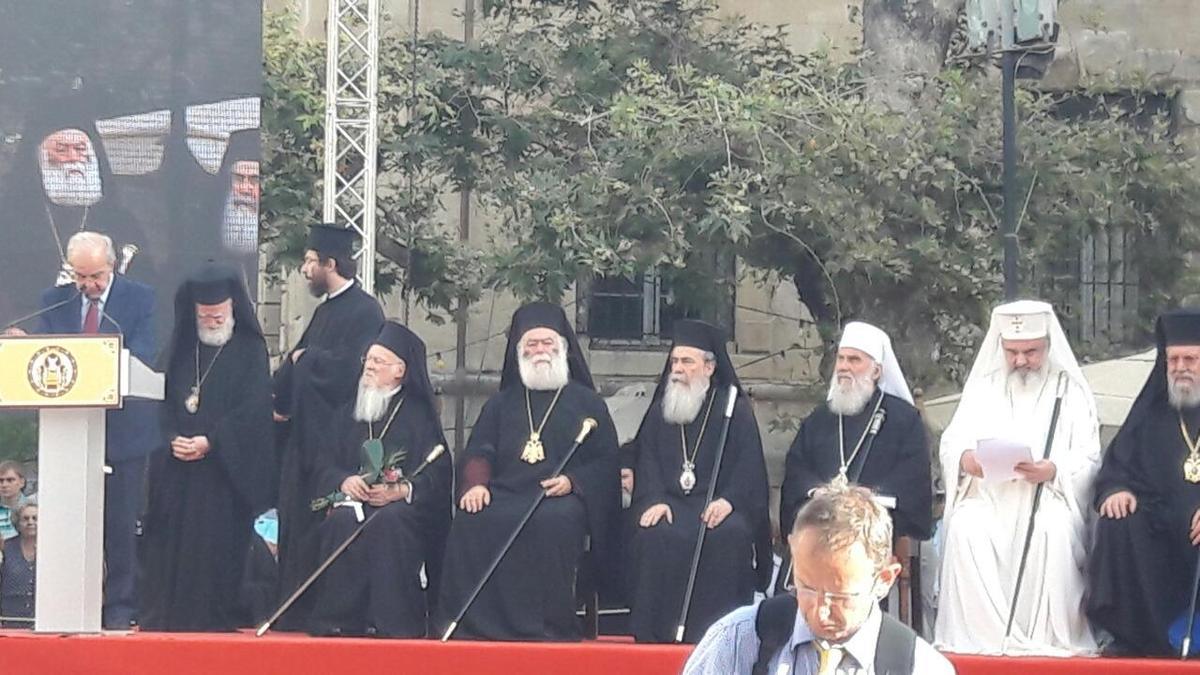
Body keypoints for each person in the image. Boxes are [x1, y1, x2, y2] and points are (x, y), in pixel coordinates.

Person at [434, 302, 619, 641]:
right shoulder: (501, 404)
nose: (540, 351)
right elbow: (480, 449)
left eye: (547, 343)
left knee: (552, 521)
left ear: (562, 348)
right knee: (472, 519)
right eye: (531, 344)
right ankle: (475, 625)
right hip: (505, 492)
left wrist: (573, 482)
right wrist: (476, 484)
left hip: (558, 497)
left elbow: (606, 463)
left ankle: (547, 625)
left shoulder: (587, 403)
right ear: (519, 352)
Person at [934, 300, 1099, 655]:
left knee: (1052, 529)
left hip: (1047, 498)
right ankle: (982, 640)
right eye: (1012, 352)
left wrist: (1052, 470)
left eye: (1031, 352)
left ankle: (1046, 639)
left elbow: (1089, 458)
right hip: (989, 499)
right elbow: (952, 443)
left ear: (1048, 346)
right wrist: (966, 460)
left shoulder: (1069, 391)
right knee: (964, 527)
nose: (1021, 360)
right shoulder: (983, 388)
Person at [684, 484, 954, 674]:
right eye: (806, 588)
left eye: (839, 596)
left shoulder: (920, 667)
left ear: (884, 579)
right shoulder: (739, 638)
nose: (820, 611)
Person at [30, 231, 159, 630]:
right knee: (69, 524)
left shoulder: (140, 299)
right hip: (67, 435)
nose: (88, 285)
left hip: (123, 434)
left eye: (96, 276)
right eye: (80, 276)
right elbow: (45, 353)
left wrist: (101, 363)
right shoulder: (55, 301)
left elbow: (144, 353)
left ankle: (120, 607)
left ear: (112, 266)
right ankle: (65, 604)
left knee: (119, 526)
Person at [139, 264, 275, 631]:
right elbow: (162, 402)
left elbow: (253, 411)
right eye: (205, 316)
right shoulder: (181, 349)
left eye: (218, 315)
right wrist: (172, 437)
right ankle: (169, 614)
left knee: (214, 545)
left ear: (232, 308)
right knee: (172, 542)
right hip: (178, 469)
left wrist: (211, 441)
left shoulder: (250, 350)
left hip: (223, 473)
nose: (212, 322)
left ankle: (214, 616)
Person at [625, 319, 771, 643]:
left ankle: (721, 637)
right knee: (654, 533)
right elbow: (645, 459)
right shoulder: (661, 411)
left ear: (709, 367)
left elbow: (749, 467)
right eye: (675, 361)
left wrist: (729, 501)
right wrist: (654, 499)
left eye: (687, 362)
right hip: (671, 504)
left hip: (717, 506)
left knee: (730, 535)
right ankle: (655, 635)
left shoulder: (734, 410)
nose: (678, 369)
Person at [307, 321, 452, 637]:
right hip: (353, 503)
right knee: (341, 521)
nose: (369, 366)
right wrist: (344, 481)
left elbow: (438, 471)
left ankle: (391, 621)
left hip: (401, 510)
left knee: (388, 521)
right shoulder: (348, 412)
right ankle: (339, 620)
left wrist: (401, 490)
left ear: (400, 370)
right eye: (368, 360)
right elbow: (322, 462)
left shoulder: (419, 416)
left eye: (378, 361)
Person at [272, 223, 384, 630]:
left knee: (322, 523)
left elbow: (350, 371)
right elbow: (294, 362)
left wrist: (307, 360)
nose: (305, 270)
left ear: (330, 264)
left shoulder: (366, 311)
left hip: (335, 441)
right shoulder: (324, 310)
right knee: (294, 520)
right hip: (304, 437)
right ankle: (292, 610)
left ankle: (323, 611)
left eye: (309, 261)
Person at [1088, 308, 1200, 656]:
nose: (1180, 367)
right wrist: (1116, 489)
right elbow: (1119, 464)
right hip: (1160, 531)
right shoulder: (1152, 413)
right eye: (1173, 359)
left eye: (1190, 359)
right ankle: (1136, 638)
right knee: (1119, 521)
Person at [779, 321, 933, 569]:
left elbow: (913, 478)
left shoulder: (903, 419)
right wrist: (816, 491)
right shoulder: (820, 419)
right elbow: (797, 468)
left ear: (876, 371)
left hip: (874, 520)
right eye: (841, 359)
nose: (844, 367)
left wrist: (871, 495)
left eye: (854, 360)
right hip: (821, 516)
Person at [0, 103, 150, 322]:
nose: (73, 158)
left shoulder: (119, 221)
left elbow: (144, 291)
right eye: (61, 150)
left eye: (80, 149)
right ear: (38, 157)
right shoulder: (10, 220)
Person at [0, 502, 38, 628]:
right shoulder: (5, 547)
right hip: (10, 619)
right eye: (25, 519)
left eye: (35, 518)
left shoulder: (51, 548)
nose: (30, 522)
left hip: (41, 619)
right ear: (17, 523)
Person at [0, 461, 31, 541]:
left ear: (22, 482)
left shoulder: (32, 508)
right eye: (1, 481)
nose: (4, 485)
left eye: (10, 480)